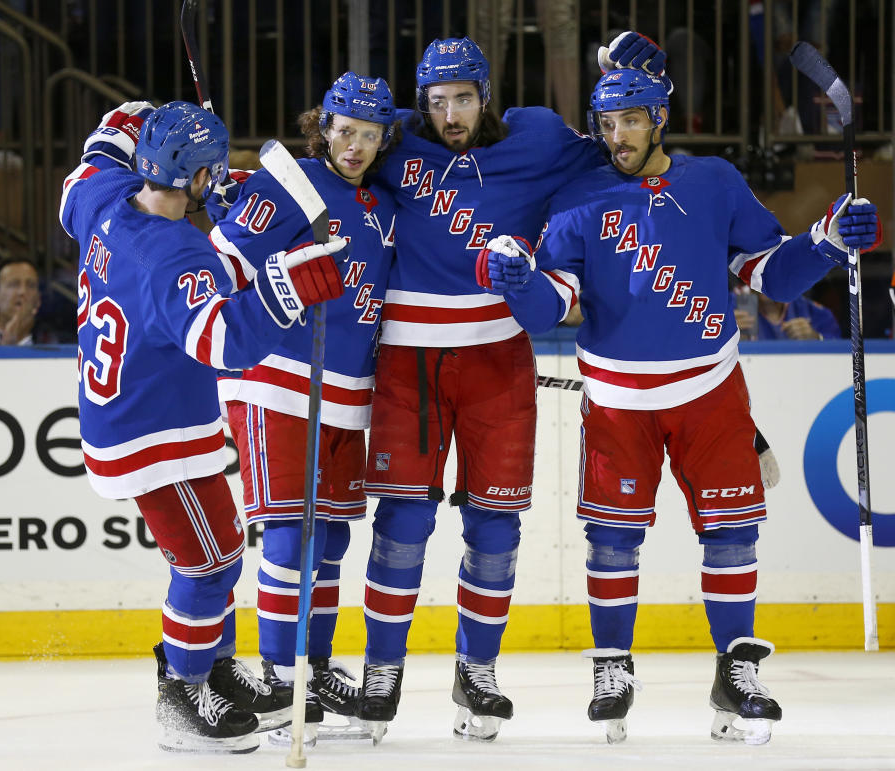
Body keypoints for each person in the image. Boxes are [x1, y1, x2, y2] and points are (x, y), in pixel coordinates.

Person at [480, 69, 880, 744]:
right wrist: (519, 285)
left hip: (709, 391)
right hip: (616, 401)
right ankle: (613, 667)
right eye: (606, 124)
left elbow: (769, 272)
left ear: (659, 118)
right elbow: (551, 303)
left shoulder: (714, 180)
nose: (616, 137)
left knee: (732, 533)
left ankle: (736, 670)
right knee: (612, 538)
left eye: (630, 121)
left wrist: (827, 240)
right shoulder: (580, 193)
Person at [355, 33, 667, 742]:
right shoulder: (398, 137)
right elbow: (336, 153)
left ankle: (479, 669)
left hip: (499, 355)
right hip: (409, 359)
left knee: (495, 526)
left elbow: (622, 150)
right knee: (403, 522)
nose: (450, 114)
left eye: (463, 98)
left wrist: (635, 86)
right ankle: (382, 668)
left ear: (486, 94)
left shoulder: (538, 137)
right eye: (437, 102)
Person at [59, 100, 349, 753]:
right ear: (195, 178)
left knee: (214, 551)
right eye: (213, 174)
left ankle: (210, 667)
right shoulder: (173, 257)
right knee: (210, 559)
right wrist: (290, 281)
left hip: (139, 417)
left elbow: (92, 161)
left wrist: (131, 116)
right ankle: (181, 693)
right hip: (151, 435)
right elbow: (222, 337)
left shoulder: (105, 201)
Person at [207, 72, 398, 745]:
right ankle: (276, 677)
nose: (354, 145)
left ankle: (313, 668)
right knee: (290, 532)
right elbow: (220, 264)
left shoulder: (382, 201)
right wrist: (225, 205)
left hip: (347, 392)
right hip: (277, 379)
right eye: (344, 131)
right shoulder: (282, 184)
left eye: (368, 135)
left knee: (334, 537)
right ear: (323, 126)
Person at [734, 287, 841, 341]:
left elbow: (841, 351)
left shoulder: (810, 310)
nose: (765, 280)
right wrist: (725, 331)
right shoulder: (729, 305)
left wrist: (817, 338)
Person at [0, 257, 40, 345]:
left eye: (31, 285)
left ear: (38, 300)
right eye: (14, 284)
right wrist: (8, 346)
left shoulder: (56, 340)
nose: (22, 291)